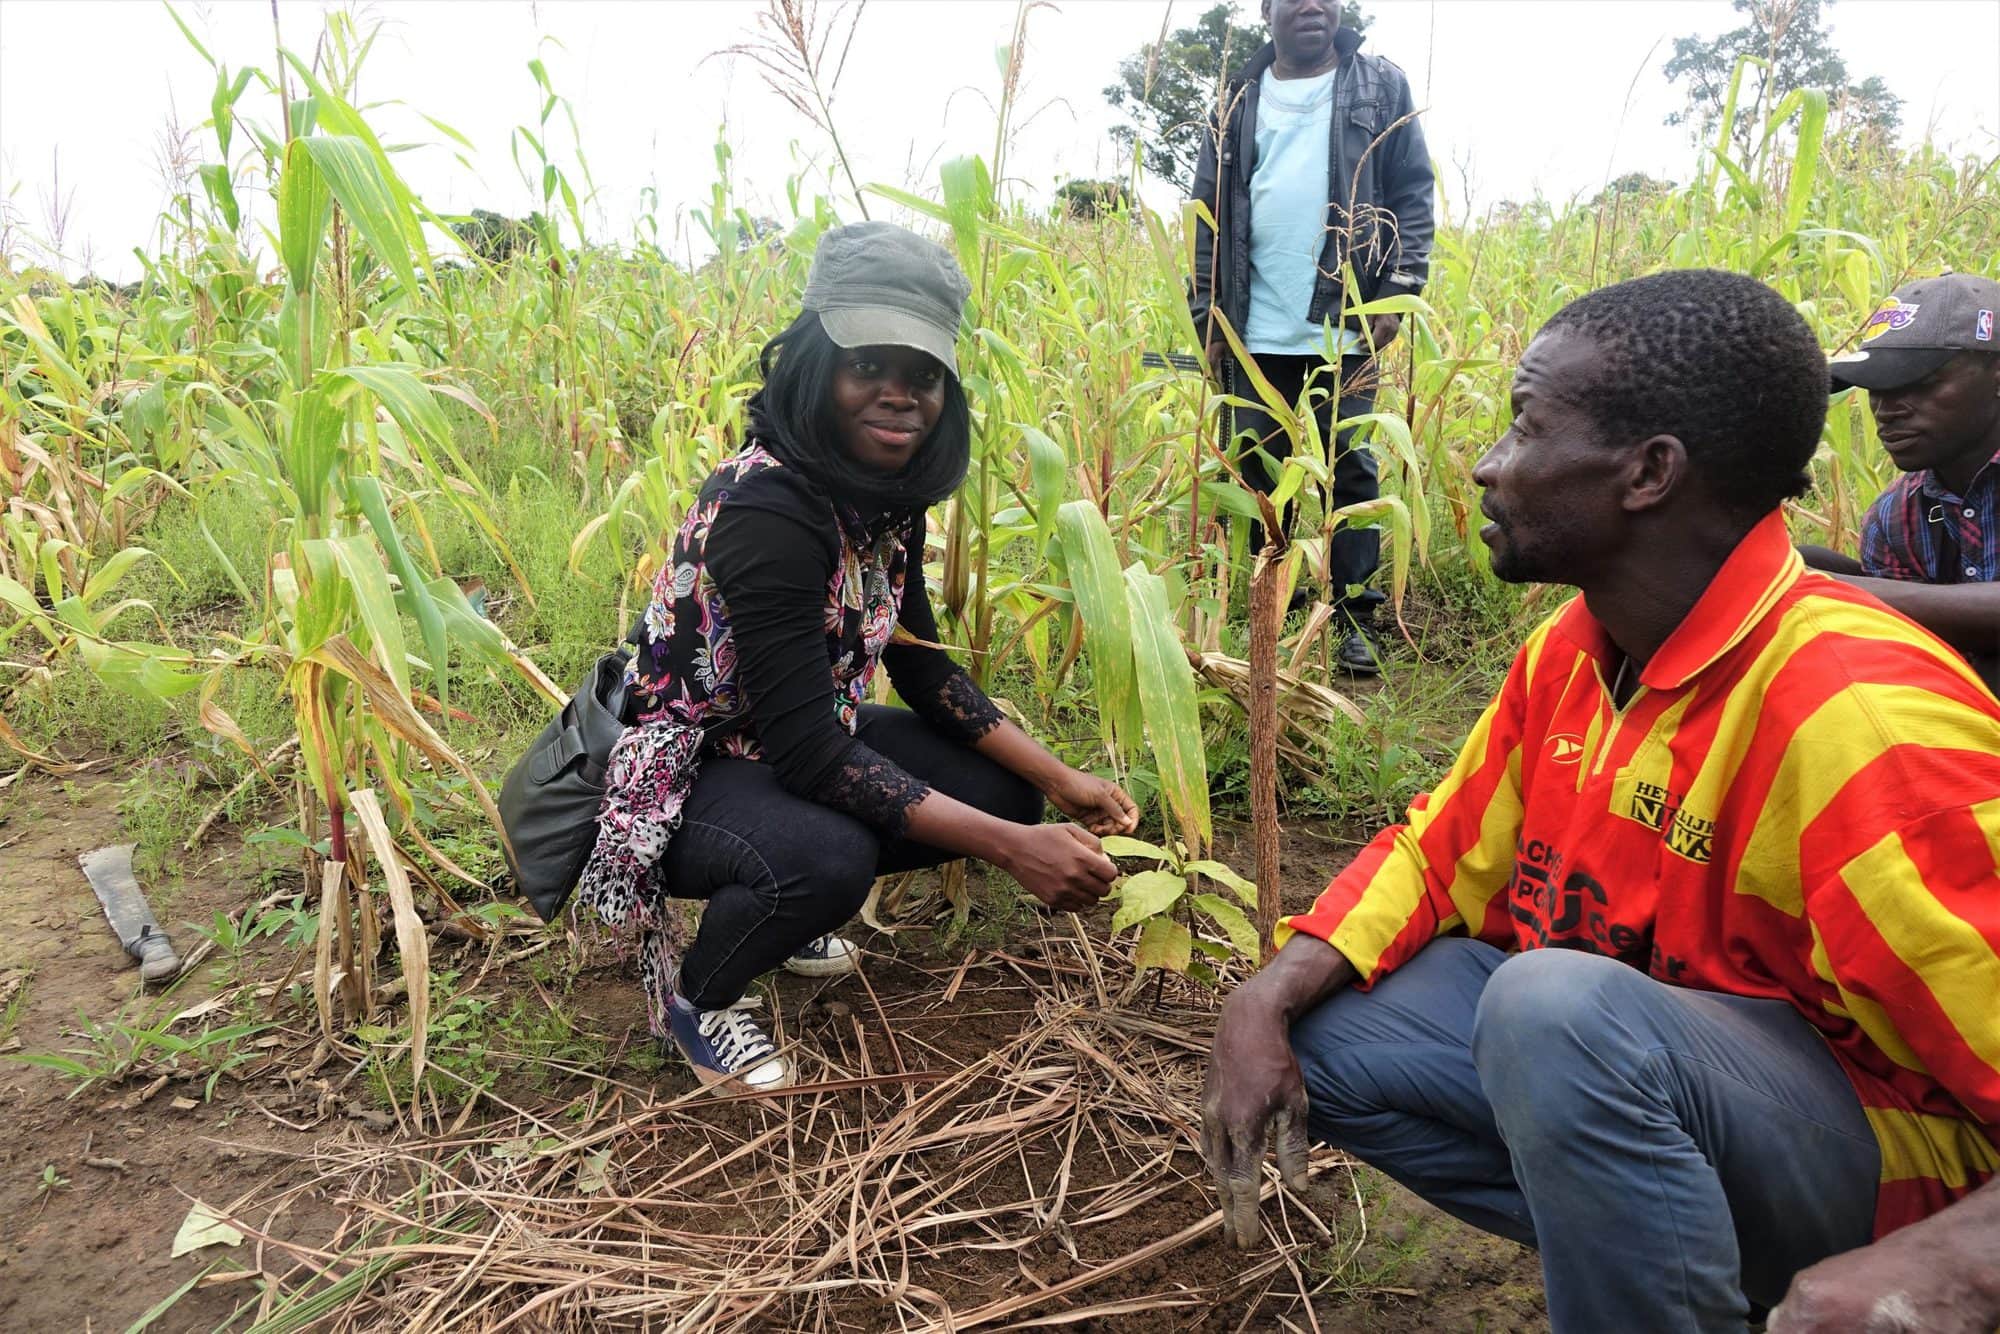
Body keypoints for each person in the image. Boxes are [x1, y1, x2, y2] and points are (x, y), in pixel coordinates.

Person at [1199, 269, 2000, 1332]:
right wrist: (1262, 996)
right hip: (1678, 1069)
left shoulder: (1856, 719)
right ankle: (1672, 1268)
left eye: (1526, 427)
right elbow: (1442, 850)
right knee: (1332, 1030)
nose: (1488, 463)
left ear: (1647, 472)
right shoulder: (1574, 654)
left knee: (1552, 1010)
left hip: (1893, 1151)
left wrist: (1947, 1269)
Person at [577, 222, 1139, 1092]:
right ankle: (703, 995)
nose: (898, 395)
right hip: (686, 769)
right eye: (867, 366)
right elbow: (810, 754)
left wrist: (1062, 783)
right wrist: (1013, 849)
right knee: (828, 856)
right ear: (815, 366)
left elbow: (921, 667)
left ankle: (792, 907)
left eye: (922, 376)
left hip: (787, 741)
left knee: (999, 787)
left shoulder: (881, 498)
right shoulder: (772, 509)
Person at [1187, 0, 1435, 673]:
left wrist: (1400, 288)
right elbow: (1208, 208)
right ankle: (1275, 606)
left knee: (1351, 469)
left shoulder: (1380, 85)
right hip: (1253, 327)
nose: (1311, 5)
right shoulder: (1237, 97)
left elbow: (1413, 190)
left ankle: (1354, 614)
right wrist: (1207, 311)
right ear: (1268, 10)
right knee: (1259, 472)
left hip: (1345, 324)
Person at [1799, 273, 2000, 686]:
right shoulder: (1896, 518)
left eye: (1919, 384)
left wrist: (1818, 588)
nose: (1887, 411)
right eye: (1876, 389)